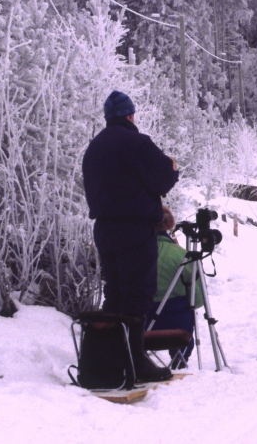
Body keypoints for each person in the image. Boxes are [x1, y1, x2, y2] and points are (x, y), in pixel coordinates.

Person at [82, 90, 179, 382]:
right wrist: (172, 168)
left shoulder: (94, 148)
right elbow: (163, 177)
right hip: (135, 228)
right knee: (137, 294)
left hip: (104, 229)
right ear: (130, 115)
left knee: (114, 294)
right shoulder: (138, 143)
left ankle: (111, 363)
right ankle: (137, 363)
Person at [146, 206, 204, 369]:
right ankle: (180, 358)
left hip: (142, 326)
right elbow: (198, 300)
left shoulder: (134, 254)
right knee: (186, 305)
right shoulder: (182, 255)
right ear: (169, 225)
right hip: (176, 329)